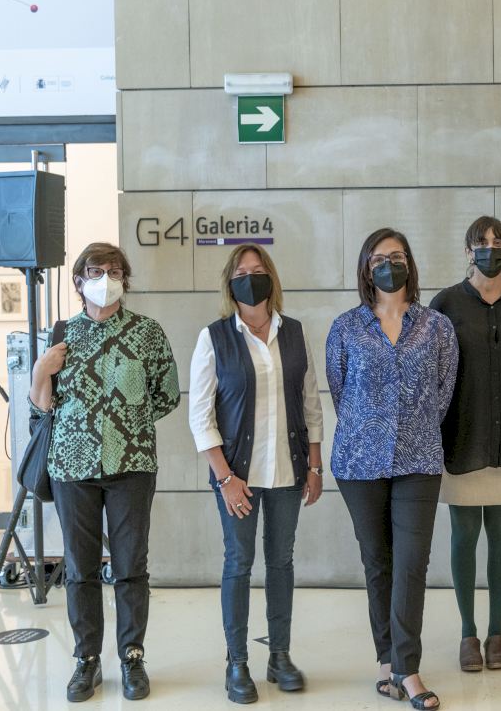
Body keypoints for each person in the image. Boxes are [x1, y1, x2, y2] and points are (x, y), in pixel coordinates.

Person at [30, 243, 180, 702]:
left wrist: (125, 424)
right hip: (71, 466)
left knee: (131, 566)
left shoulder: (147, 333)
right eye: (95, 271)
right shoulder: (62, 335)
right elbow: (42, 407)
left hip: (131, 466)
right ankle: (87, 660)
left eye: (114, 271)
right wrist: (41, 370)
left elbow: (167, 395)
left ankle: (132, 656)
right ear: (79, 280)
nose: (106, 279)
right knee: (81, 569)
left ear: (125, 280)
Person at [327, 229, 458, 710]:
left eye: (397, 256)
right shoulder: (345, 327)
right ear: (366, 268)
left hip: (418, 458)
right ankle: (387, 662)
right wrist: (372, 429)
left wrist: (410, 428)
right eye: (379, 259)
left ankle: (407, 668)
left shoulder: (437, 326)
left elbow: (443, 392)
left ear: (410, 264)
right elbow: (340, 391)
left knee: (411, 562)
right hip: (359, 461)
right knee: (377, 561)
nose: (388, 265)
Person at [189, 244, 325, 703]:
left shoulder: (295, 332)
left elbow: (310, 403)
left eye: (258, 269)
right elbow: (200, 416)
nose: (251, 277)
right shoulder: (214, 337)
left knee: (281, 561)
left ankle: (279, 657)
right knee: (239, 562)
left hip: (288, 469)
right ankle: (237, 662)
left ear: (271, 277)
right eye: (241, 272)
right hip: (237, 477)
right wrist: (225, 479)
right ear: (231, 284)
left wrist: (314, 465)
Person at [430, 217, 501, 673]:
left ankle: (496, 632)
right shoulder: (445, 304)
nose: (490, 249)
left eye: (498, 242)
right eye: (481, 242)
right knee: (464, 536)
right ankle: (467, 633)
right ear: (467, 251)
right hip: (461, 437)